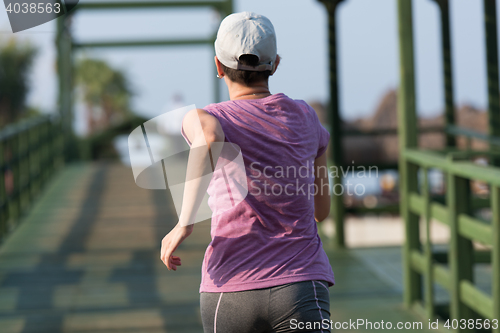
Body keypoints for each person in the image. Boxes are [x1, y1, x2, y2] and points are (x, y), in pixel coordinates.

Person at [160, 12, 335, 333]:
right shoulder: (307, 117)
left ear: (217, 66)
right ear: (276, 64)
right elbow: (321, 211)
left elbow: (209, 137)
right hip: (300, 283)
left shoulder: (207, 116)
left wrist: (184, 224)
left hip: (229, 287)